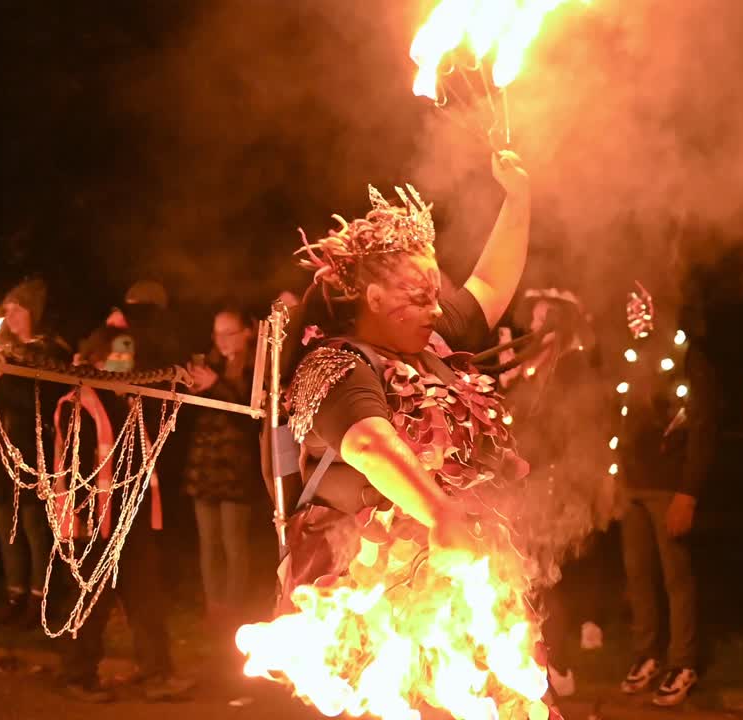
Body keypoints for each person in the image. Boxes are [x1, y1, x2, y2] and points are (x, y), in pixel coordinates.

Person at [279, 151, 529, 614]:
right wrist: (439, 513)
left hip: (449, 584)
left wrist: (519, 197)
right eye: (419, 298)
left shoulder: (428, 341)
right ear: (373, 298)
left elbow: (491, 283)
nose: (436, 310)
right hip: (363, 600)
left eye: (436, 296)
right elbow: (370, 445)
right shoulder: (335, 365)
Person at [52, 327, 194, 703]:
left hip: (133, 523)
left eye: (129, 356)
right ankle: (78, 676)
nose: (125, 364)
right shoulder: (77, 404)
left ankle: (157, 673)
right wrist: (81, 524)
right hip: (94, 526)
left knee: (147, 600)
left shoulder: (130, 402)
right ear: (97, 361)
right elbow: (74, 469)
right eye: (117, 356)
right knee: (90, 604)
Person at [499, 288, 610, 698]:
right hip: (528, 486)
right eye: (533, 320)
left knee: (549, 579)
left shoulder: (573, 367)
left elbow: (576, 432)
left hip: (556, 488)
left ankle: (557, 664)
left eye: (544, 321)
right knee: (530, 579)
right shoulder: (530, 371)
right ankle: (536, 662)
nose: (533, 327)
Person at [616, 291, 717, 708]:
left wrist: (688, 494)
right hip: (632, 488)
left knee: (676, 578)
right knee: (638, 575)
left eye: (641, 309)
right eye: (630, 310)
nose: (635, 317)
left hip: (669, 490)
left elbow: (703, 433)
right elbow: (619, 418)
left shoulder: (693, 361)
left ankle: (684, 661)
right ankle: (647, 655)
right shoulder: (633, 357)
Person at [0, 277, 67, 628]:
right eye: (6, 309)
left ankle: (40, 602)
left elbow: (40, 403)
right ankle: (15, 597)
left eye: (18, 309)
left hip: (30, 452)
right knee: (5, 530)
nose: (10, 316)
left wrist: (4, 377)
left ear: (33, 313)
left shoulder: (50, 353)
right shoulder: (0, 348)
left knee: (34, 528)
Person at [183, 307, 264, 629]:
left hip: (236, 467)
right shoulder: (208, 363)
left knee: (233, 541)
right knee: (208, 541)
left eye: (230, 332)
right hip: (205, 465)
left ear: (247, 331)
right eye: (218, 333)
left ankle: (235, 609)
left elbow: (247, 411)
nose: (223, 339)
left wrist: (216, 384)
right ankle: (213, 607)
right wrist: (192, 389)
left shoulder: (256, 367)